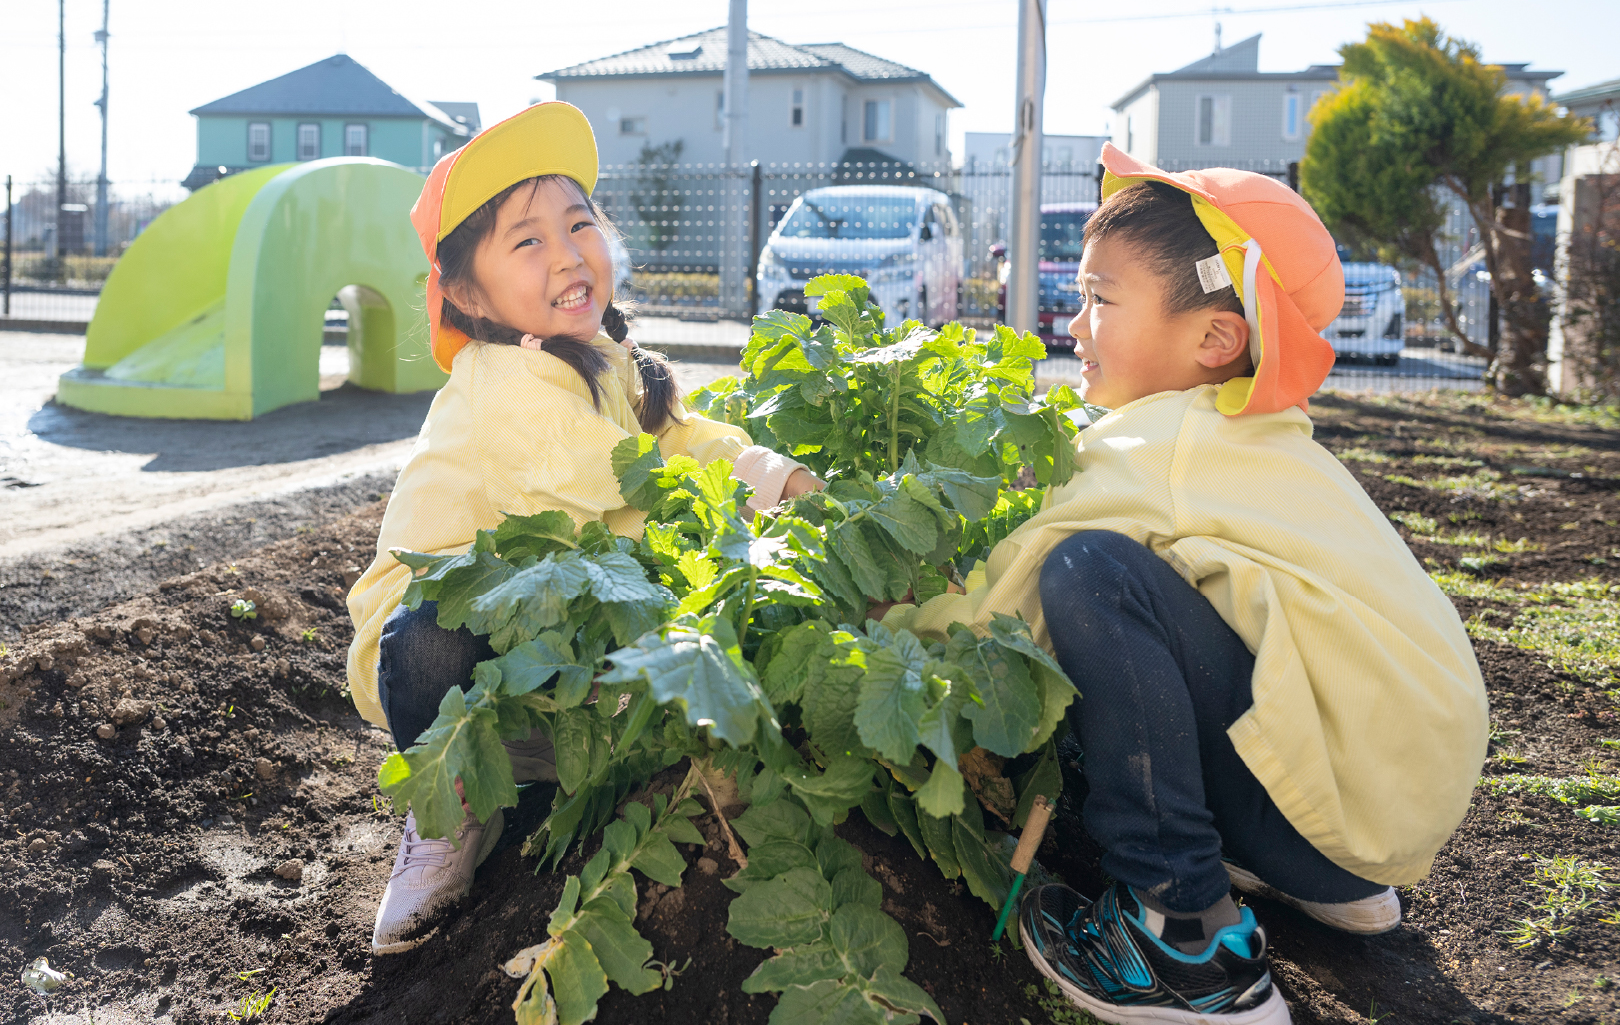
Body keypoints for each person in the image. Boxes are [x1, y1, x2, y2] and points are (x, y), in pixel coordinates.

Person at [885, 145, 1485, 1025]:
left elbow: (1002, 612)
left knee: (1087, 573)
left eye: (1100, 300)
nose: (1073, 325)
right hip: (1378, 834)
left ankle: (1181, 936)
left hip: (1335, 818)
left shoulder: (1156, 445)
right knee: (1162, 598)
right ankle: (1317, 882)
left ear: (1214, 338)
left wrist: (898, 624)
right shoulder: (1267, 438)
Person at [345, 102, 819, 956]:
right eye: (527, 241)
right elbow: (622, 485)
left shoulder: (596, 355)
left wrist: (769, 473)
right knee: (431, 639)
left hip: (549, 638)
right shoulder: (504, 384)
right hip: (443, 660)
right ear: (464, 292)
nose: (568, 254)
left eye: (579, 223)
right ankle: (447, 812)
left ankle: (547, 760)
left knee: (641, 619)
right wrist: (739, 510)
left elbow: (682, 435)